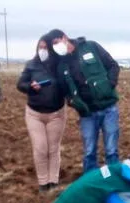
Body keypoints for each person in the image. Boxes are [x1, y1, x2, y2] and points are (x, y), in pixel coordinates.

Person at [47, 29, 120, 173]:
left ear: (64, 37)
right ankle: (90, 181)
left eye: (56, 42)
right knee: (89, 150)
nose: (56, 46)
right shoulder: (61, 66)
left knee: (111, 149)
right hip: (87, 113)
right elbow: (65, 90)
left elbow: (112, 66)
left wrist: (108, 85)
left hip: (108, 109)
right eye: (53, 45)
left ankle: (114, 180)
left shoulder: (91, 47)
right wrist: (73, 102)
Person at [17, 34, 67, 193]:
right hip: (34, 113)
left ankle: (54, 181)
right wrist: (30, 86)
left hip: (56, 113)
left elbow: (66, 83)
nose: (43, 50)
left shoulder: (59, 65)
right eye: (40, 47)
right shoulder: (31, 65)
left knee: (53, 148)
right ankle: (43, 182)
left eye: (46, 48)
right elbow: (20, 84)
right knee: (40, 148)